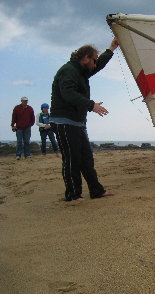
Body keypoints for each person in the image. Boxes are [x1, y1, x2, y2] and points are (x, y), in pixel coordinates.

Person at [50, 37, 119, 201]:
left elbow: (99, 65)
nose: (95, 64)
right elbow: (68, 94)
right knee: (72, 159)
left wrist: (112, 48)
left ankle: (96, 191)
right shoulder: (68, 71)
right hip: (63, 121)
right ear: (86, 58)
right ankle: (73, 195)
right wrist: (91, 105)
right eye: (93, 60)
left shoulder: (81, 71)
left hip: (78, 123)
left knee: (86, 158)